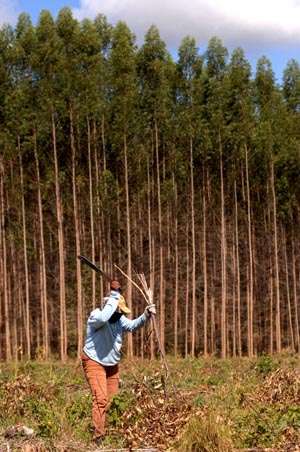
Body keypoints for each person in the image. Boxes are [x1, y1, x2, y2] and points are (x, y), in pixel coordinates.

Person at [81, 279, 156, 444]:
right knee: (100, 398)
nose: (122, 314)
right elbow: (103, 318)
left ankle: (112, 432)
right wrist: (115, 296)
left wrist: (146, 315)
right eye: (119, 310)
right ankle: (98, 437)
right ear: (113, 307)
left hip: (112, 364)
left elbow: (132, 326)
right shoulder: (96, 316)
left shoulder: (119, 320)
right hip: (94, 361)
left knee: (113, 400)